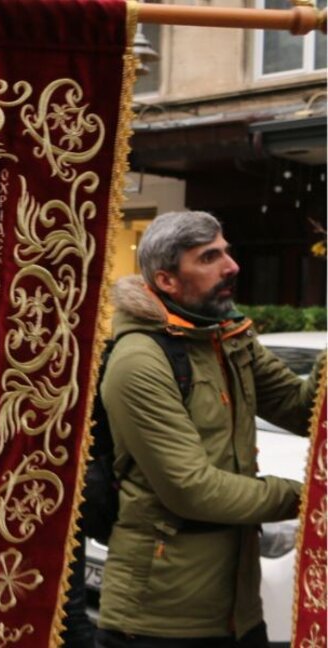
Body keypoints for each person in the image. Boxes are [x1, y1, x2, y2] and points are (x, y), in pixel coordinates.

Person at [96, 210, 323, 647]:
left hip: (240, 612)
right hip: (160, 620)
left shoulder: (228, 337)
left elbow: (302, 411)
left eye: (227, 251)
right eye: (208, 257)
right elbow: (191, 488)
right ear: (167, 280)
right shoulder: (139, 360)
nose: (231, 265)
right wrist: (309, 498)